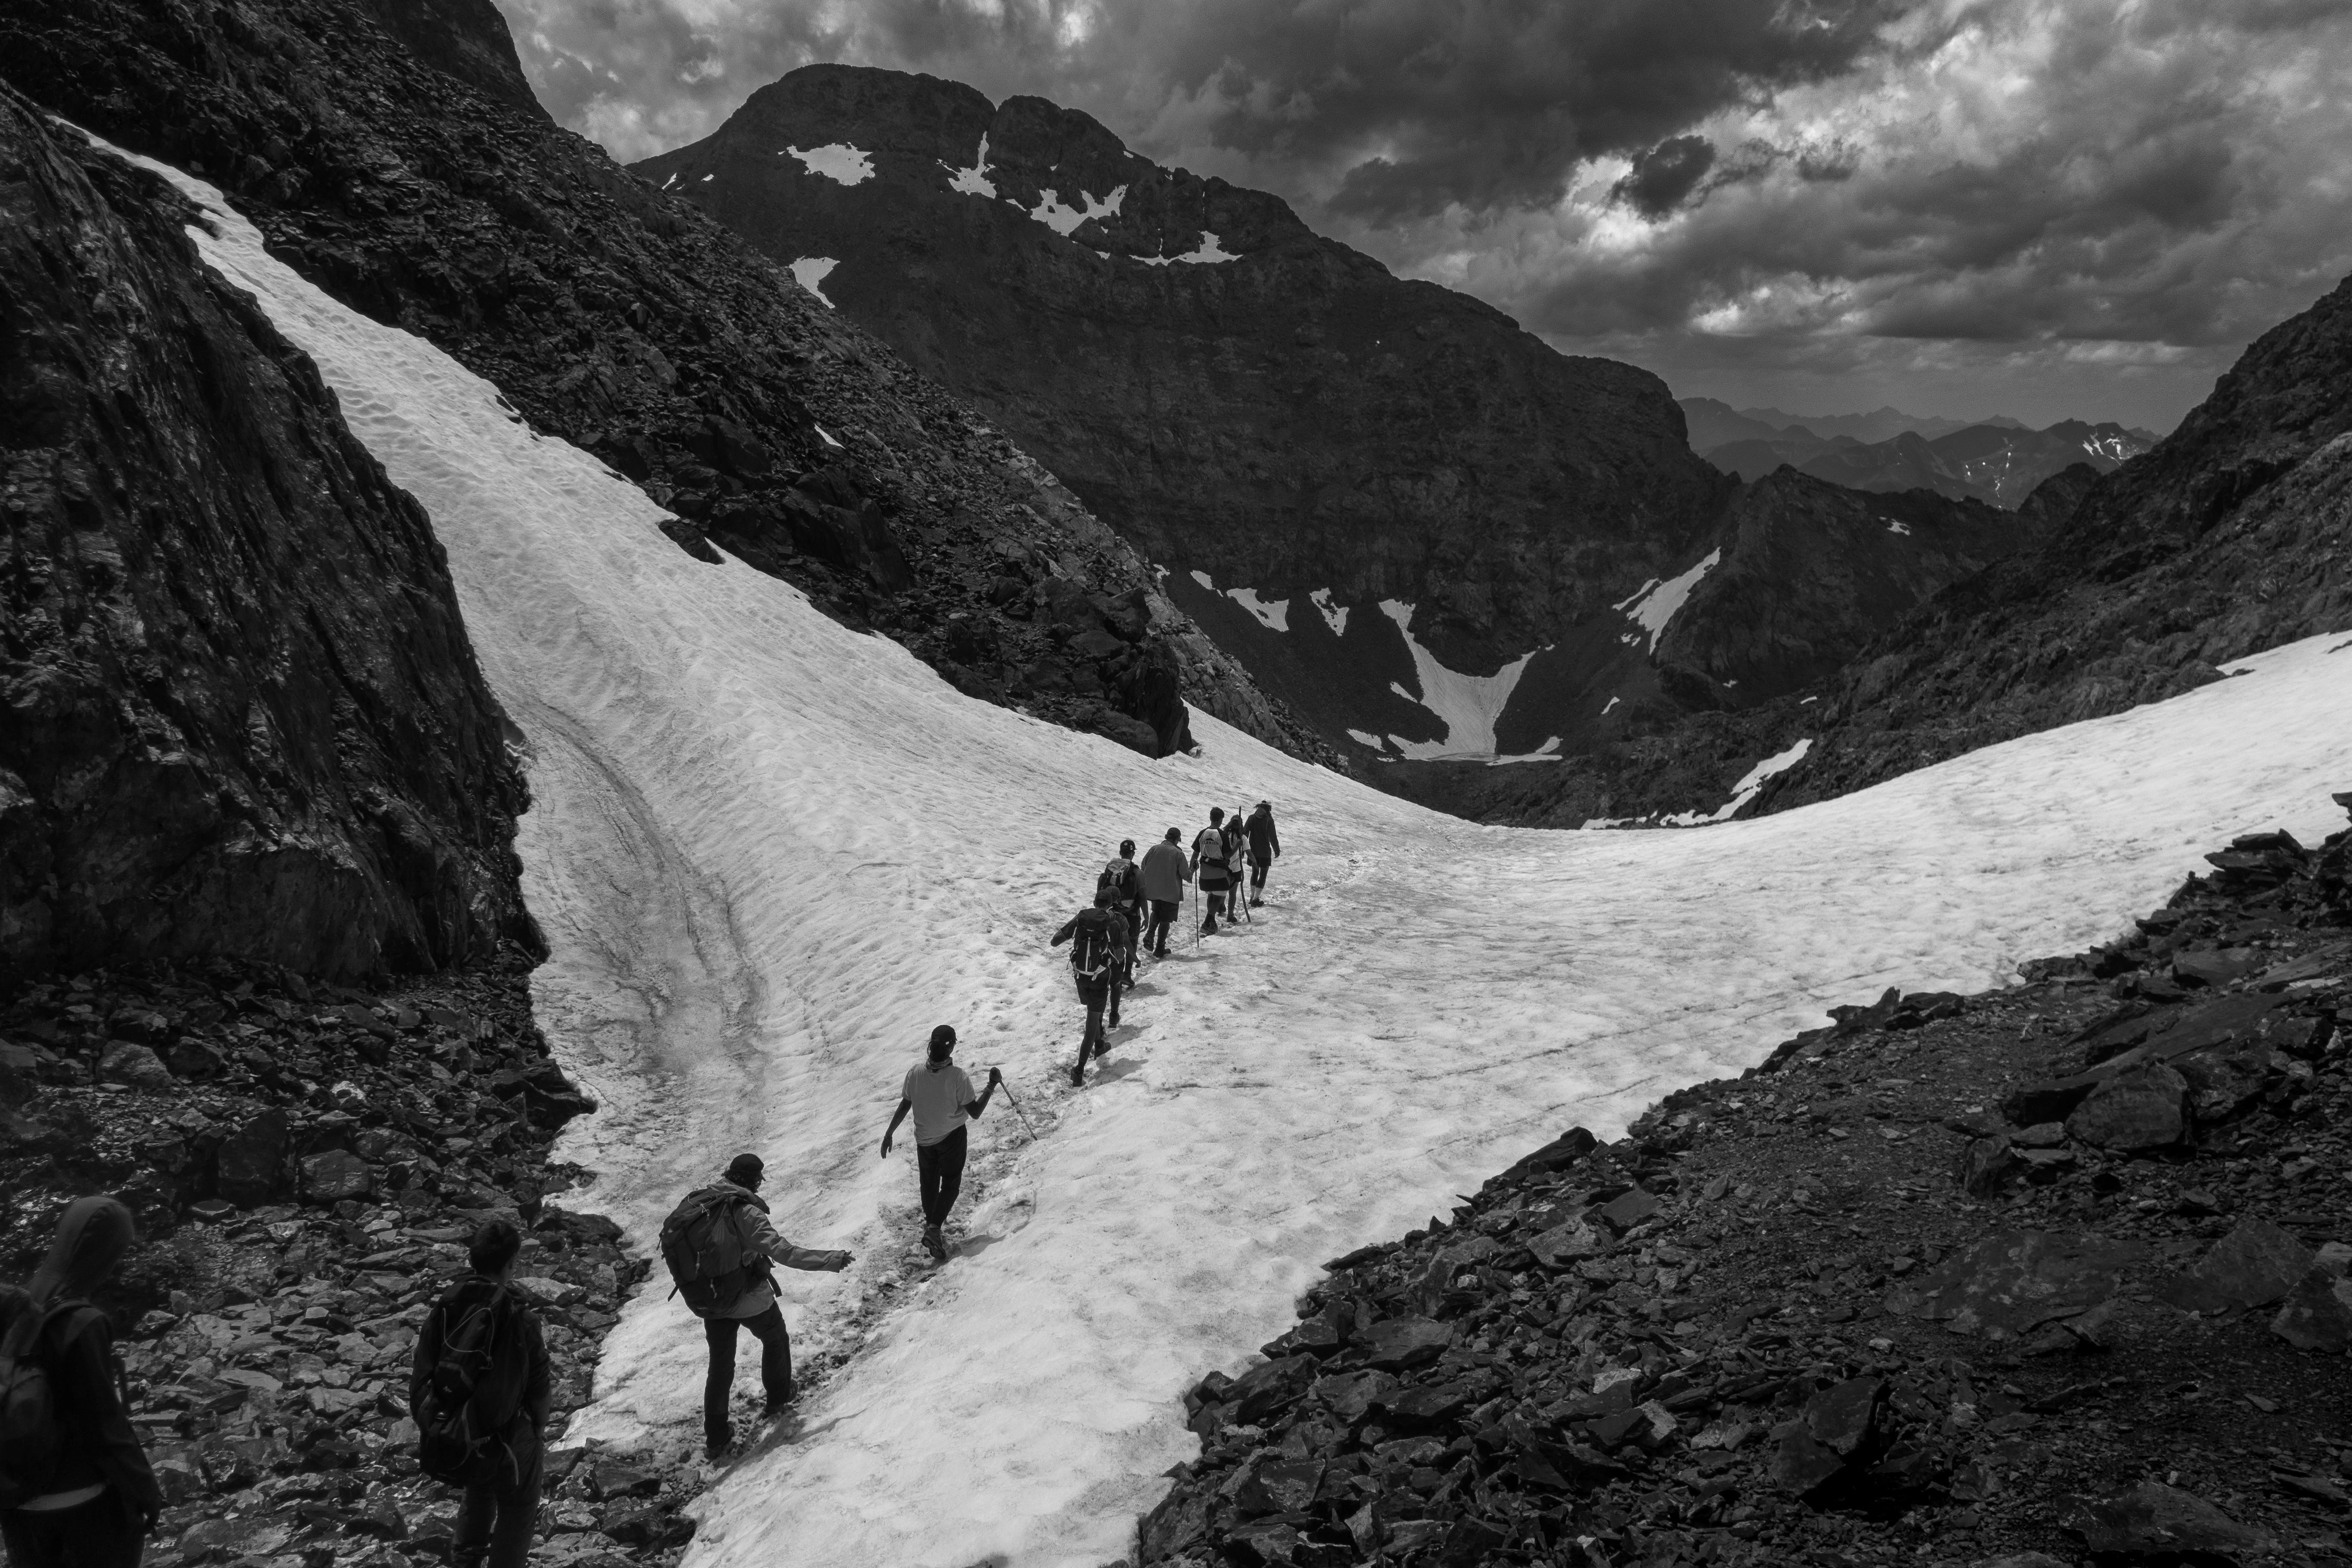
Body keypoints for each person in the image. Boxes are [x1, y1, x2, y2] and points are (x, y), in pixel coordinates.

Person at [0, 1196, 161, 1568]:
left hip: (18, 1499)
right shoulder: (83, 1321)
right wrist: (146, 1492)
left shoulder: (16, 1301)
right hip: (82, 1502)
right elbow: (104, 1427)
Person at [683, 1155, 851, 1459]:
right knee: (774, 1337)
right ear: (756, 1181)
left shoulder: (701, 1202)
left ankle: (717, 1437)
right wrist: (831, 1259)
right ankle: (777, 1397)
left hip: (707, 1297)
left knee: (720, 1366)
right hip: (746, 1296)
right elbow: (783, 1252)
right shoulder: (746, 1213)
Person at [410, 1219, 550, 1568]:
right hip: (507, 1432)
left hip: (460, 1425)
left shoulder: (448, 1305)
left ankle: (466, 1560)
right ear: (511, 1263)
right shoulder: (519, 1314)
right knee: (519, 1505)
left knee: (479, 1483)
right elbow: (539, 1382)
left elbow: (423, 1369)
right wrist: (537, 1428)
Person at [879, 1026, 1001, 1261]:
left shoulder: (915, 1073)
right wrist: (991, 1085)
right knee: (951, 1184)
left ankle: (931, 1225)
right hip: (952, 1138)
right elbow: (974, 1112)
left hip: (924, 1140)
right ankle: (934, 1230)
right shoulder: (957, 1077)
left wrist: (889, 1133)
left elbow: (906, 1104)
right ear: (952, 1046)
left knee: (929, 1183)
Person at [1050, 888, 1130, 1084]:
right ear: (1110, 905)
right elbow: (1120, 957)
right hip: (1100, 978)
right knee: (1092, 1022)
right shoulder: (1113, 924)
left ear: (1094, 902)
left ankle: (1100, 1044)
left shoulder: (1081, 919)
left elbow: (1055, 941)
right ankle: (1079, 1072)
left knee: (1093, 1013)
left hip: (1081, 978)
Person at [1138, 827, 1190, 958]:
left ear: (1166, 836)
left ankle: (1150, 934)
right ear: (1177, 840)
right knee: (1166, 920)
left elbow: (1143, 867)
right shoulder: (1179, 854)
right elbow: (1186, 875)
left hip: (1153, 890)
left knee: (1156, 912)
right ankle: (1160, 948)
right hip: (1170, 892)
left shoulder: (1154, 849)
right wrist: (1193, 869)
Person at [1192, 808, 1235, 934]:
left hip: (1205, 874)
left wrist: (1191, 870)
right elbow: (1227, 856)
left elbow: (1196, 853)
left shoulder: (1203, 833)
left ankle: (1212, 924)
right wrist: (1237, 847)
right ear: (1221, 819)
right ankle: (1207, 923)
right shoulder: (1222, 835)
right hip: (1219, 873)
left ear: (1211, 818)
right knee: (1218, 898)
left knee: (1211, 895)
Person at [1244, 801, 1280, 906]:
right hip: (1265, 853)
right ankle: (1256, 899)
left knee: (1255, 873)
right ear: (1267, 809)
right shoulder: (1269, 820)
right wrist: (1277, 850)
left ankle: (1252, 897)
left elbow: (1245, 834)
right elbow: (1273, 837)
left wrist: (1242, 849)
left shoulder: (1251, 818)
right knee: (1263, 875)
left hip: (1253, 852)